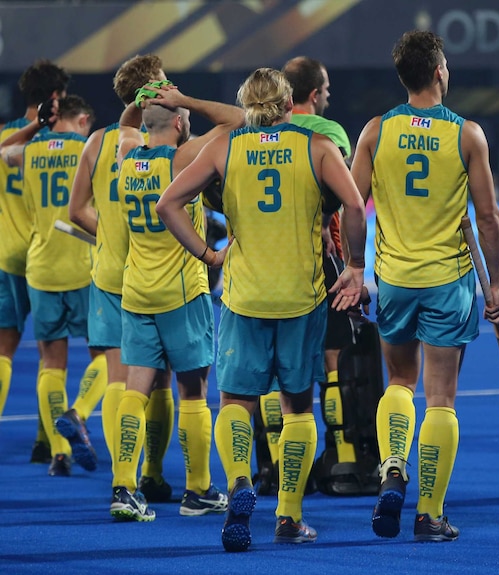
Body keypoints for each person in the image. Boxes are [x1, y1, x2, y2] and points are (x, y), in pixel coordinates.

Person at [156, 68, 366, 551]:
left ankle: (240, 486)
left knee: (235, 402)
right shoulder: (316, 146)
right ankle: (289, 517)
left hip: (243, 296)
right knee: (297, 406)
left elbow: (169, 203)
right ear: (291, 104)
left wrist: (210, 255)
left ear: (245, 105)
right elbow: (355, 205)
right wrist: (355, 265)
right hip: (301, 297)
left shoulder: (223, 146)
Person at [351, 30, 499, 542]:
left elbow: (355, 206)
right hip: (448, 282)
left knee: (399, 382)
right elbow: (488, 217)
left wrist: (356, 264)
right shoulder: (467, 135)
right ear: (440, 71)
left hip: (394, 280)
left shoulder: (376, 131)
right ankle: (429, 513)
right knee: (441, 397)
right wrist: (497, 286)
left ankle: (393, 466)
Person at [107, 82, 244, 521]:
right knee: (193, 392)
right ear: (181, 122)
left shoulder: (127, 156)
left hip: (137, 290)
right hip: (182, 292)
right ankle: (199, 490)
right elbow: (238, 120)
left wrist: (142, 103)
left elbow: (128, 123)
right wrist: (182, 99)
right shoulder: (183, 158)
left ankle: (123, 488)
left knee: (136, 390)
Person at [67, 54, 176, 501]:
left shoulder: (97, 141)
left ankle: (122, 477)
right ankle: (151, 472)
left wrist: (109, 235)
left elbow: (76, 211)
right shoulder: (167, 141)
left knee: (119, 378)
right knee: (162, 380)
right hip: (155, 268)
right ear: (154, 91)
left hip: (110, 272)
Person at [281, 55, 381, 496]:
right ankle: (341, 456)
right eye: (326, 90)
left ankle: (276, 467)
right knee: (333, 360)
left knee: (274, 367)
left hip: (268, 262)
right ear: (315, 94)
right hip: (324, 257)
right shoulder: (331, 133)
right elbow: (346, 197)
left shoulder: (251, 135)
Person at [0, 95, 102, 476]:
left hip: (40, 268)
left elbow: (3, 151)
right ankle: (80, 414)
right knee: (107, 357)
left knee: (51, 364)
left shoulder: (29, 150)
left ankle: (59, 454)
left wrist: (34, 128)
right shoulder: (89, 147)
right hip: (83, 265)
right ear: (84, 119)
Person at [0, 60, 70, 463]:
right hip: (49, 256)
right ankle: (50, 442)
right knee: (52, 355)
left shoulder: (6, 137)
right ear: (55, 97)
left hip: (6, 255)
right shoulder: (61, 141)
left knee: (5, 349)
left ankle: (49, 439)